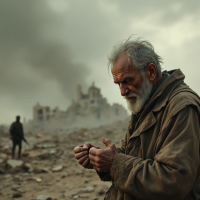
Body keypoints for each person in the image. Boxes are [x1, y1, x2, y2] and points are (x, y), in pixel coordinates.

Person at [74, 37, 200, 200]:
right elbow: (130, 155)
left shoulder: (182, 107)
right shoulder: (145, 100)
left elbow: (173, 182)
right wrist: (100, 158)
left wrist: (114, 163)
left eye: (127, 81)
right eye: (118, 84)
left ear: (151, 72)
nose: (122, 92)